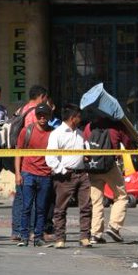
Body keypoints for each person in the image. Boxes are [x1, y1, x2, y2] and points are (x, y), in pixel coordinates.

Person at [84, 112, 136, 244]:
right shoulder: (116, 126)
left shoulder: (89, 126)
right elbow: (129, 144)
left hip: (93, 167)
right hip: (110, 166)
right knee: (121, 196)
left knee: (96, 201)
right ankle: (114, 226)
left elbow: (84, 144)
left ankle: (95, 234)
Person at [45, 104, 92, 248]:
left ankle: (85, 236)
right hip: (65, 176)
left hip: (82, 174)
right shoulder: (57, 134)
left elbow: (84, 149)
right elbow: (50, 157)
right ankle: (60, 238)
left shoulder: (80, 133)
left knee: (86, 206)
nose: (81, 119)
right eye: (78, 116)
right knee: (61, 208)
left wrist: (86, 156)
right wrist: (62, 170)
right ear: (72, 118)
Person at [7, 85, 51, 241]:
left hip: (24, 163)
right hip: (30, 165)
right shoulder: (34, 113)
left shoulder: (22, 109)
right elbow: (31, 137)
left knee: (21, 198)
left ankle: (17, 230)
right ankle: (29, 231)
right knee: (30, 203)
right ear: (41, 96)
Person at [14, 103, 56, 247]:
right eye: (39, 115)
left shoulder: (53, 133)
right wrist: (18, 174)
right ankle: (24, 236)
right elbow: (18, 153)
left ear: (50, 116)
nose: (42, 118)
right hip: (28, 173)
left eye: (45, 115)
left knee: (41, 208)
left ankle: (38, 237)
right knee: (26, 207)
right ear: (36, 116)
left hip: (46, 175)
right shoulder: (27, 131)